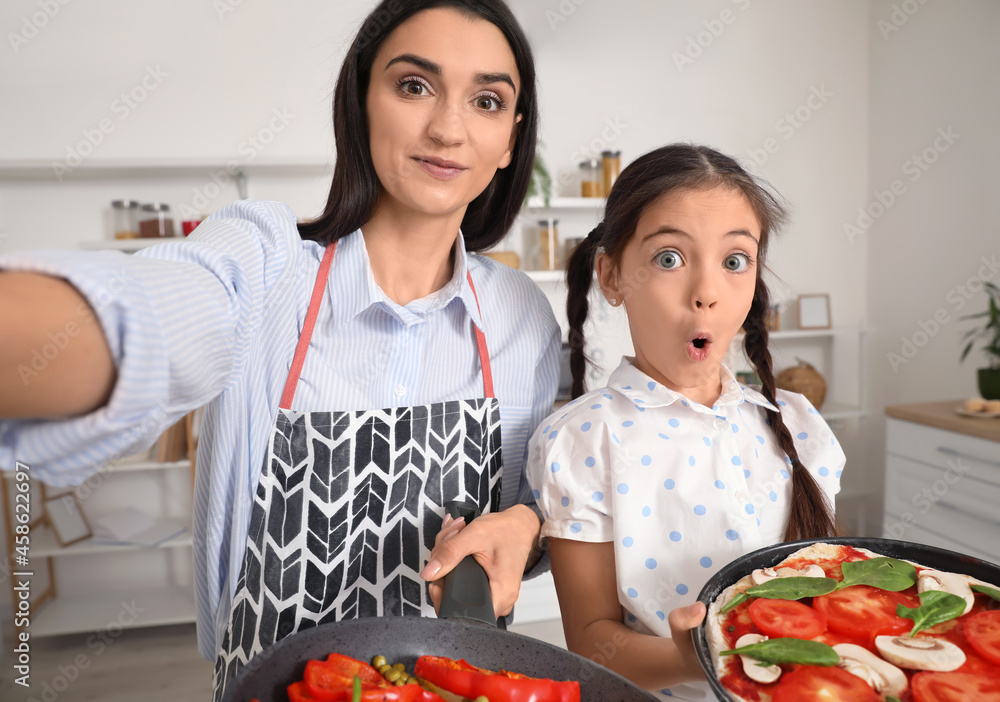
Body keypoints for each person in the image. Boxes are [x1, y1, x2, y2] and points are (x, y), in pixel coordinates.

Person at [0, 1, 560, 698]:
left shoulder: (521, 317)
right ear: (359, 105)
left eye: (486, 100)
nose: (448, 128)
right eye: (414, 86)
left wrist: (527, 522)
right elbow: (153, 314)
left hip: (451, 685)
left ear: (511, 138)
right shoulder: (268, 268)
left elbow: (533, 511)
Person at [526, 143, 844, 701]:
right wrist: (696, 655)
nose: (706, 294)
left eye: (734, 260)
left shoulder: (799, 425)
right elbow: (590, 642)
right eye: (669, 258)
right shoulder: (584, 439)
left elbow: (825, 594)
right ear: (612, 276)